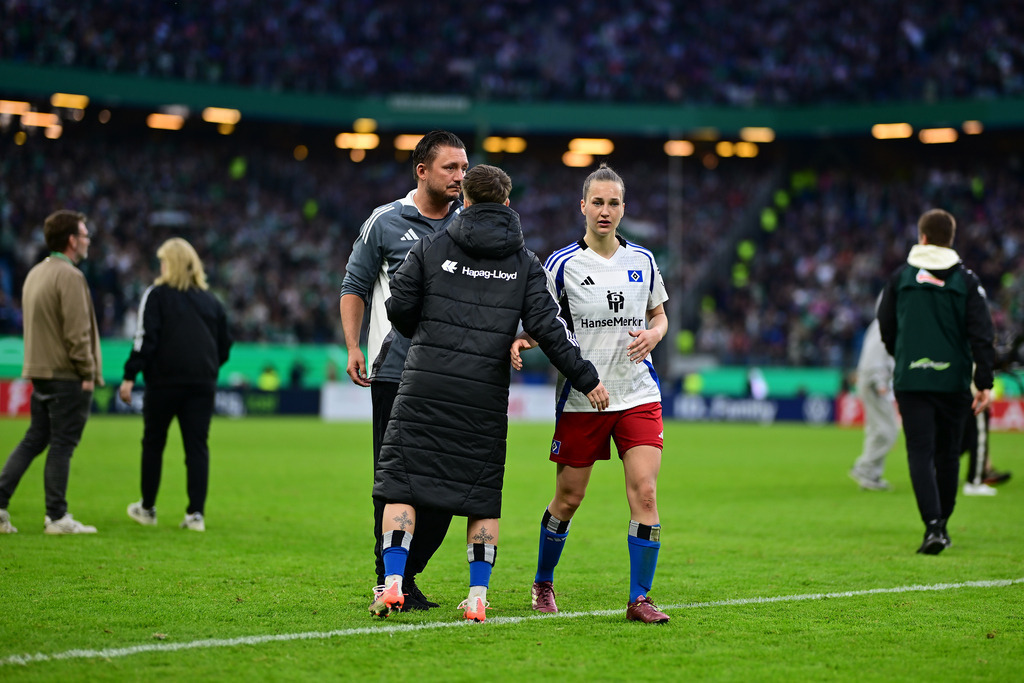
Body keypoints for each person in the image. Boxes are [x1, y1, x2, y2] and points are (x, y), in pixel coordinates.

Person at [369, 164, 609, 622]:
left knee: (402, 483)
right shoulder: (524, 261)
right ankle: (478, 595)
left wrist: (423, 326)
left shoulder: (431, 246)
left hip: (424, 384)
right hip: (483, 393)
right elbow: (549, 329)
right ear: (507, 204)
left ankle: (393, 582)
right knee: (480, 495)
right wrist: (587, 378)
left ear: (465, 200)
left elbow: (399, 307)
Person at [510, 164, 671, 624]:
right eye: (597, 202)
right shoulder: (561, 264)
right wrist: (525, 339)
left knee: (645, 492)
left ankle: (640, 598)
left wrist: (655, 336)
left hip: (637, 392)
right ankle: (543, 582)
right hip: (584, 398)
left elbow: (660, 316)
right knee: (568, 498)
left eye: (613, 203)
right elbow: (548, 324)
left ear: (624, 208)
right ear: (583, 206)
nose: (605, 211)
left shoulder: (643, 260)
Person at [340, 130, 468, 610]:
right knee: (395, 481)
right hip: (397, 371)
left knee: (452, 486)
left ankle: (406, 573)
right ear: (422, 171)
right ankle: (387, 579)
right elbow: (354, 283)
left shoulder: (471, 224)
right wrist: (353, 345)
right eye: (449, 168)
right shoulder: (386, 222)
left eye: (463, 169)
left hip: (457, 377)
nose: (460, 177)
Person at [878, 208, 995, 555]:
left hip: (911, 380)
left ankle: (932, 527)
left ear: (923, 237)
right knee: (947, 455)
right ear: (951, 238)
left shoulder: (900, 278)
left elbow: (885, 326)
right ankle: (942, 524)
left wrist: (903, 356)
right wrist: (984, 380)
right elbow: (982, 333)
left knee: (920, 452)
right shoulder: (967, 281)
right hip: (953, 381)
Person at [118, 238, 232, 532]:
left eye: (163, 261)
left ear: (170, 264)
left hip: (164, 383)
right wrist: (205, 368)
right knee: (197, 447)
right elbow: (225, 345)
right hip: (201, 384)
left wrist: (131, 375)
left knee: (154, 442)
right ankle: (196, 515)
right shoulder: (211, 301)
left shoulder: (156, 295)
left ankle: (147, 508)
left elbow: (145, 339)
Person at [0, 210, 102, 535]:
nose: (87, 240)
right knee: (62, 444)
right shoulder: (70, 276)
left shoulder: (35, 273)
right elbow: (77, 333)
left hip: (40, 370)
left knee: (34, 439)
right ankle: (57, 517)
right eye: (84, 235)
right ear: (72, 240)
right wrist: (88, 370)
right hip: (65, 373)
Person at [848, 317, 898, 491]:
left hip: (873, 379)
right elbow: (875, 355)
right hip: (874, 381)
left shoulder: (884, 321)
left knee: (876, 430)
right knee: (888, 431)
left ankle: (872, 476)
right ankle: (864, 467)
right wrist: (879, 382)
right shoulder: (885, 322)